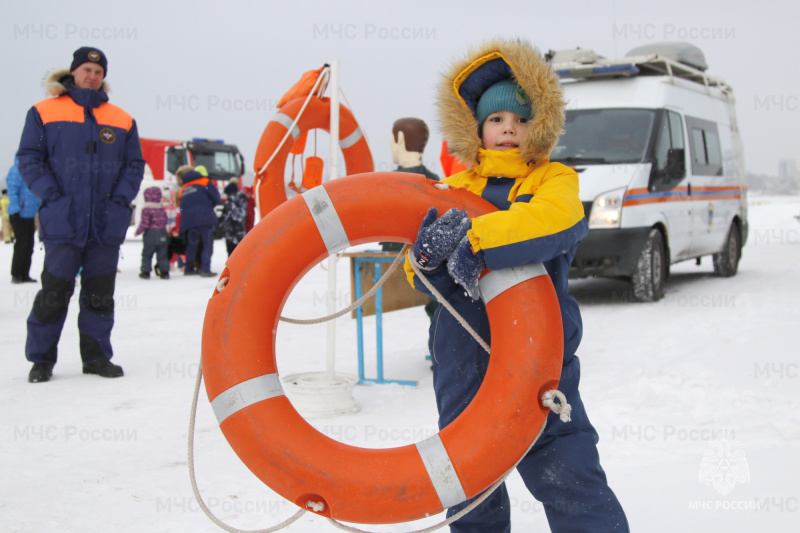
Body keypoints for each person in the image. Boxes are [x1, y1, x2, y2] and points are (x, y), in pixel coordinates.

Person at [404, 39, 629, 532]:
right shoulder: (454, 191)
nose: (509, 128)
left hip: (538, 356)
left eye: (521, 119)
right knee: (469, 482)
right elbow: (418, 271)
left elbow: (552, 222)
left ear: (539, 126)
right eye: (496, 119)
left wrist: (475, 242)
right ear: (477, 129)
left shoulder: (554, 181)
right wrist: (424, 260)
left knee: (568, 472)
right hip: (461, 354)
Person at [17, 46, 145, 383]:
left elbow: (134, 166)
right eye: (87, 69)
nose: (92, 76)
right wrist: (53, 196)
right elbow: (29, 158)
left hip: (106, 222)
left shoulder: (121, 119)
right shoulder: (43, 111)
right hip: (63, 220)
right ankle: (41, 360)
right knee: (54, 292)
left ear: (104, 78)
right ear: (73, 73)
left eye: (99, 72)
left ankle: (97, 357)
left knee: (100, 294)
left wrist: (119, 203)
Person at [6, 157, 41, 283]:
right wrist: (15, 208)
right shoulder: (16, 170)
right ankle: (16, 274)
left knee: (29, 245)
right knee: (21, 244)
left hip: (29, 214)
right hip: (18, 214)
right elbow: (12, 191)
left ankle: (25, 274)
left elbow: (35, 192)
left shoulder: (31, 173)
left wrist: (38, 205)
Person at [179, 169, 219, 276]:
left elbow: (181, 205)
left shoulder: (184, 188)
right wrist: (207, 207)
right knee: (207, 243)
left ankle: (188, 268)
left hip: (188, 220)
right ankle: (205, 269)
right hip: (204, 217)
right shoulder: (205, 182)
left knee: (192, 244)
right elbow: (216, 197)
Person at [134, 186, 170, 279]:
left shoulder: (146, 210)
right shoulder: (161, 209)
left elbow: (145, 223)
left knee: (147, 254)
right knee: (162, 254)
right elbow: (165, 221)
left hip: (150, 234)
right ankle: (164, 272)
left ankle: (145, 271)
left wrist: (138, 232)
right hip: (162, 233)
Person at [220, 179, 247, 256]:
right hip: (239, 232)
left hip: (232, 233)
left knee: (232, 254)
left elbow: (228, 217)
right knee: (239, 254)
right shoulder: (242, 199)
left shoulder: (230, 202)